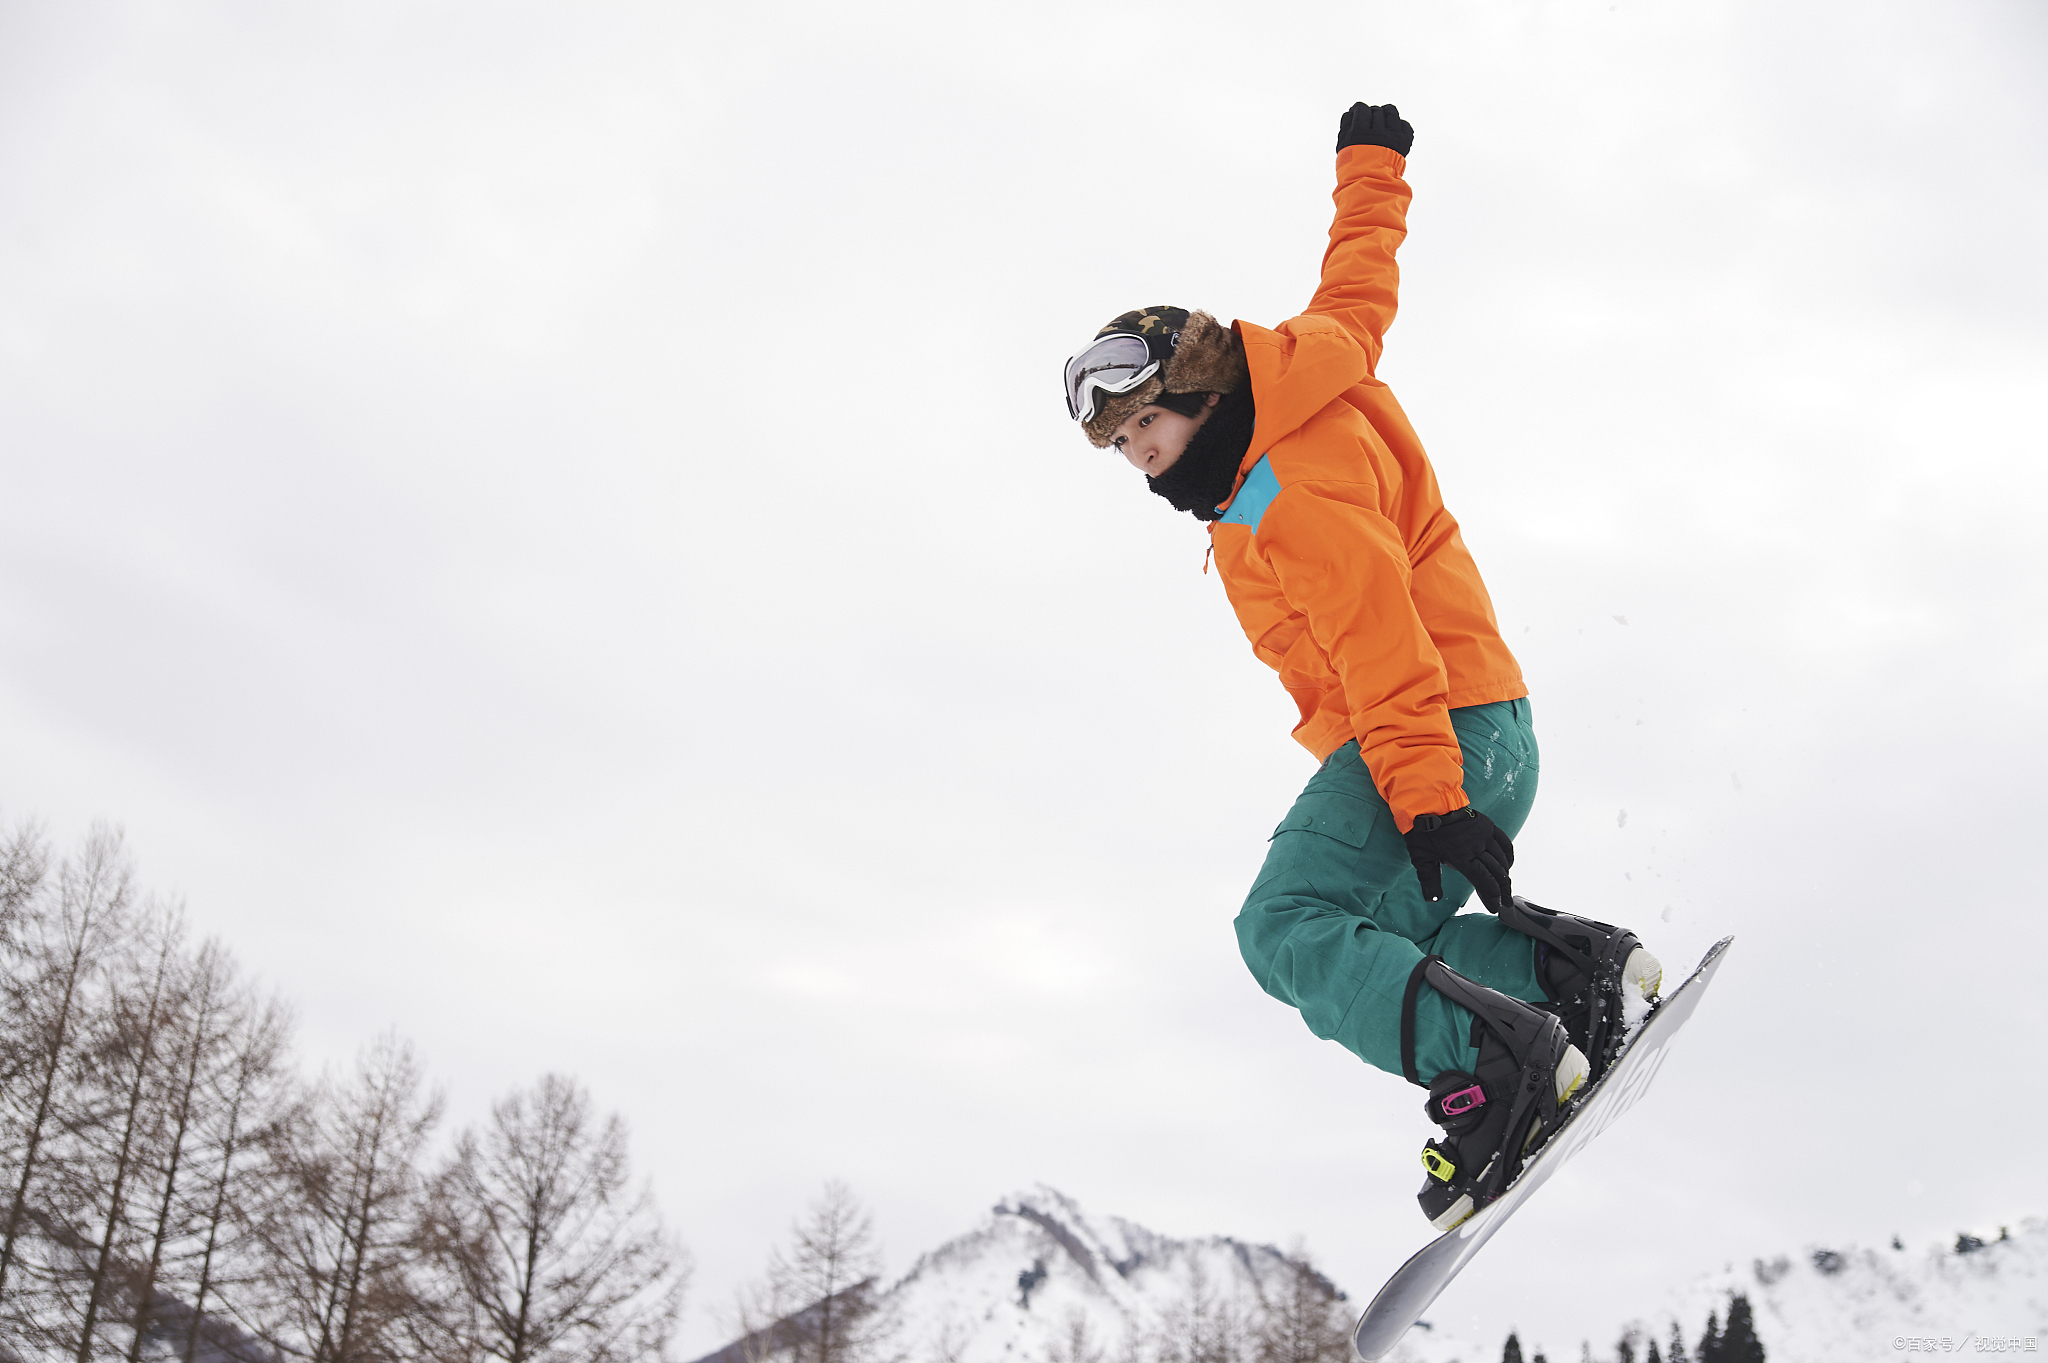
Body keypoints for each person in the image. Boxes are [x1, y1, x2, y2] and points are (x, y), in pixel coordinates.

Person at [1059, 103, 1664, 1232]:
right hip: (1491, 726)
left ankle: (1493, 1067)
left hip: (1431, 734)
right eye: (1124, 449)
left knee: (1285, 923)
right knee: (1376, 938)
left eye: (1147, 429)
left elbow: (1379, 634)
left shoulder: (1282, 492)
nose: (1142, 461)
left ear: (1200, 396)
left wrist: (1428, 797)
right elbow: (1358, 284)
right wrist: (1371, 166)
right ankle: (1571, 984)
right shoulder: (1308, 374)